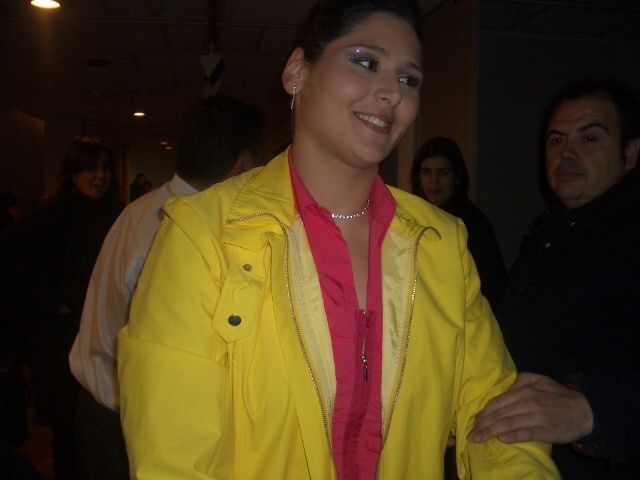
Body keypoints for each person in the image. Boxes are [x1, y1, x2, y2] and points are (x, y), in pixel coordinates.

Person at [118, 1, 559, 478]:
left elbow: (496, 412)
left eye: (409, 79)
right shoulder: (203, 233)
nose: (392, 92)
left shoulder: (439, 243)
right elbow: (172, 457)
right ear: (297, 71)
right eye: (365, 62)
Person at [68, 95, 264, 480]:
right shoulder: (186, 232)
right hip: (129, 422)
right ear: (243, 164)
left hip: (99, 408)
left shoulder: (141, 209)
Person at [469, 79, 640, 478]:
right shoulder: (551, 234)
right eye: (557, 140)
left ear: (630, 153)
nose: (568, 153)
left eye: (590, 138)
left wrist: (591, 409)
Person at [0, 136, 122, 479]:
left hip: (102, 333)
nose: (100, 176)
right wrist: (55, 303)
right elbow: (9, 260)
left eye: (105, 168)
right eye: (90, 168)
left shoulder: (116, 215)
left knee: (101, 424)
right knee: (68, 430)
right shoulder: (49, 215)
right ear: (73, 172)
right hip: (59, 340)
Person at [411, 136, 507, 307]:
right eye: (426, 172)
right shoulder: (413, 217)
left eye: (443, 172)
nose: (434, 181)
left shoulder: (472, 223)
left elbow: (491, 287)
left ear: (457, 177)